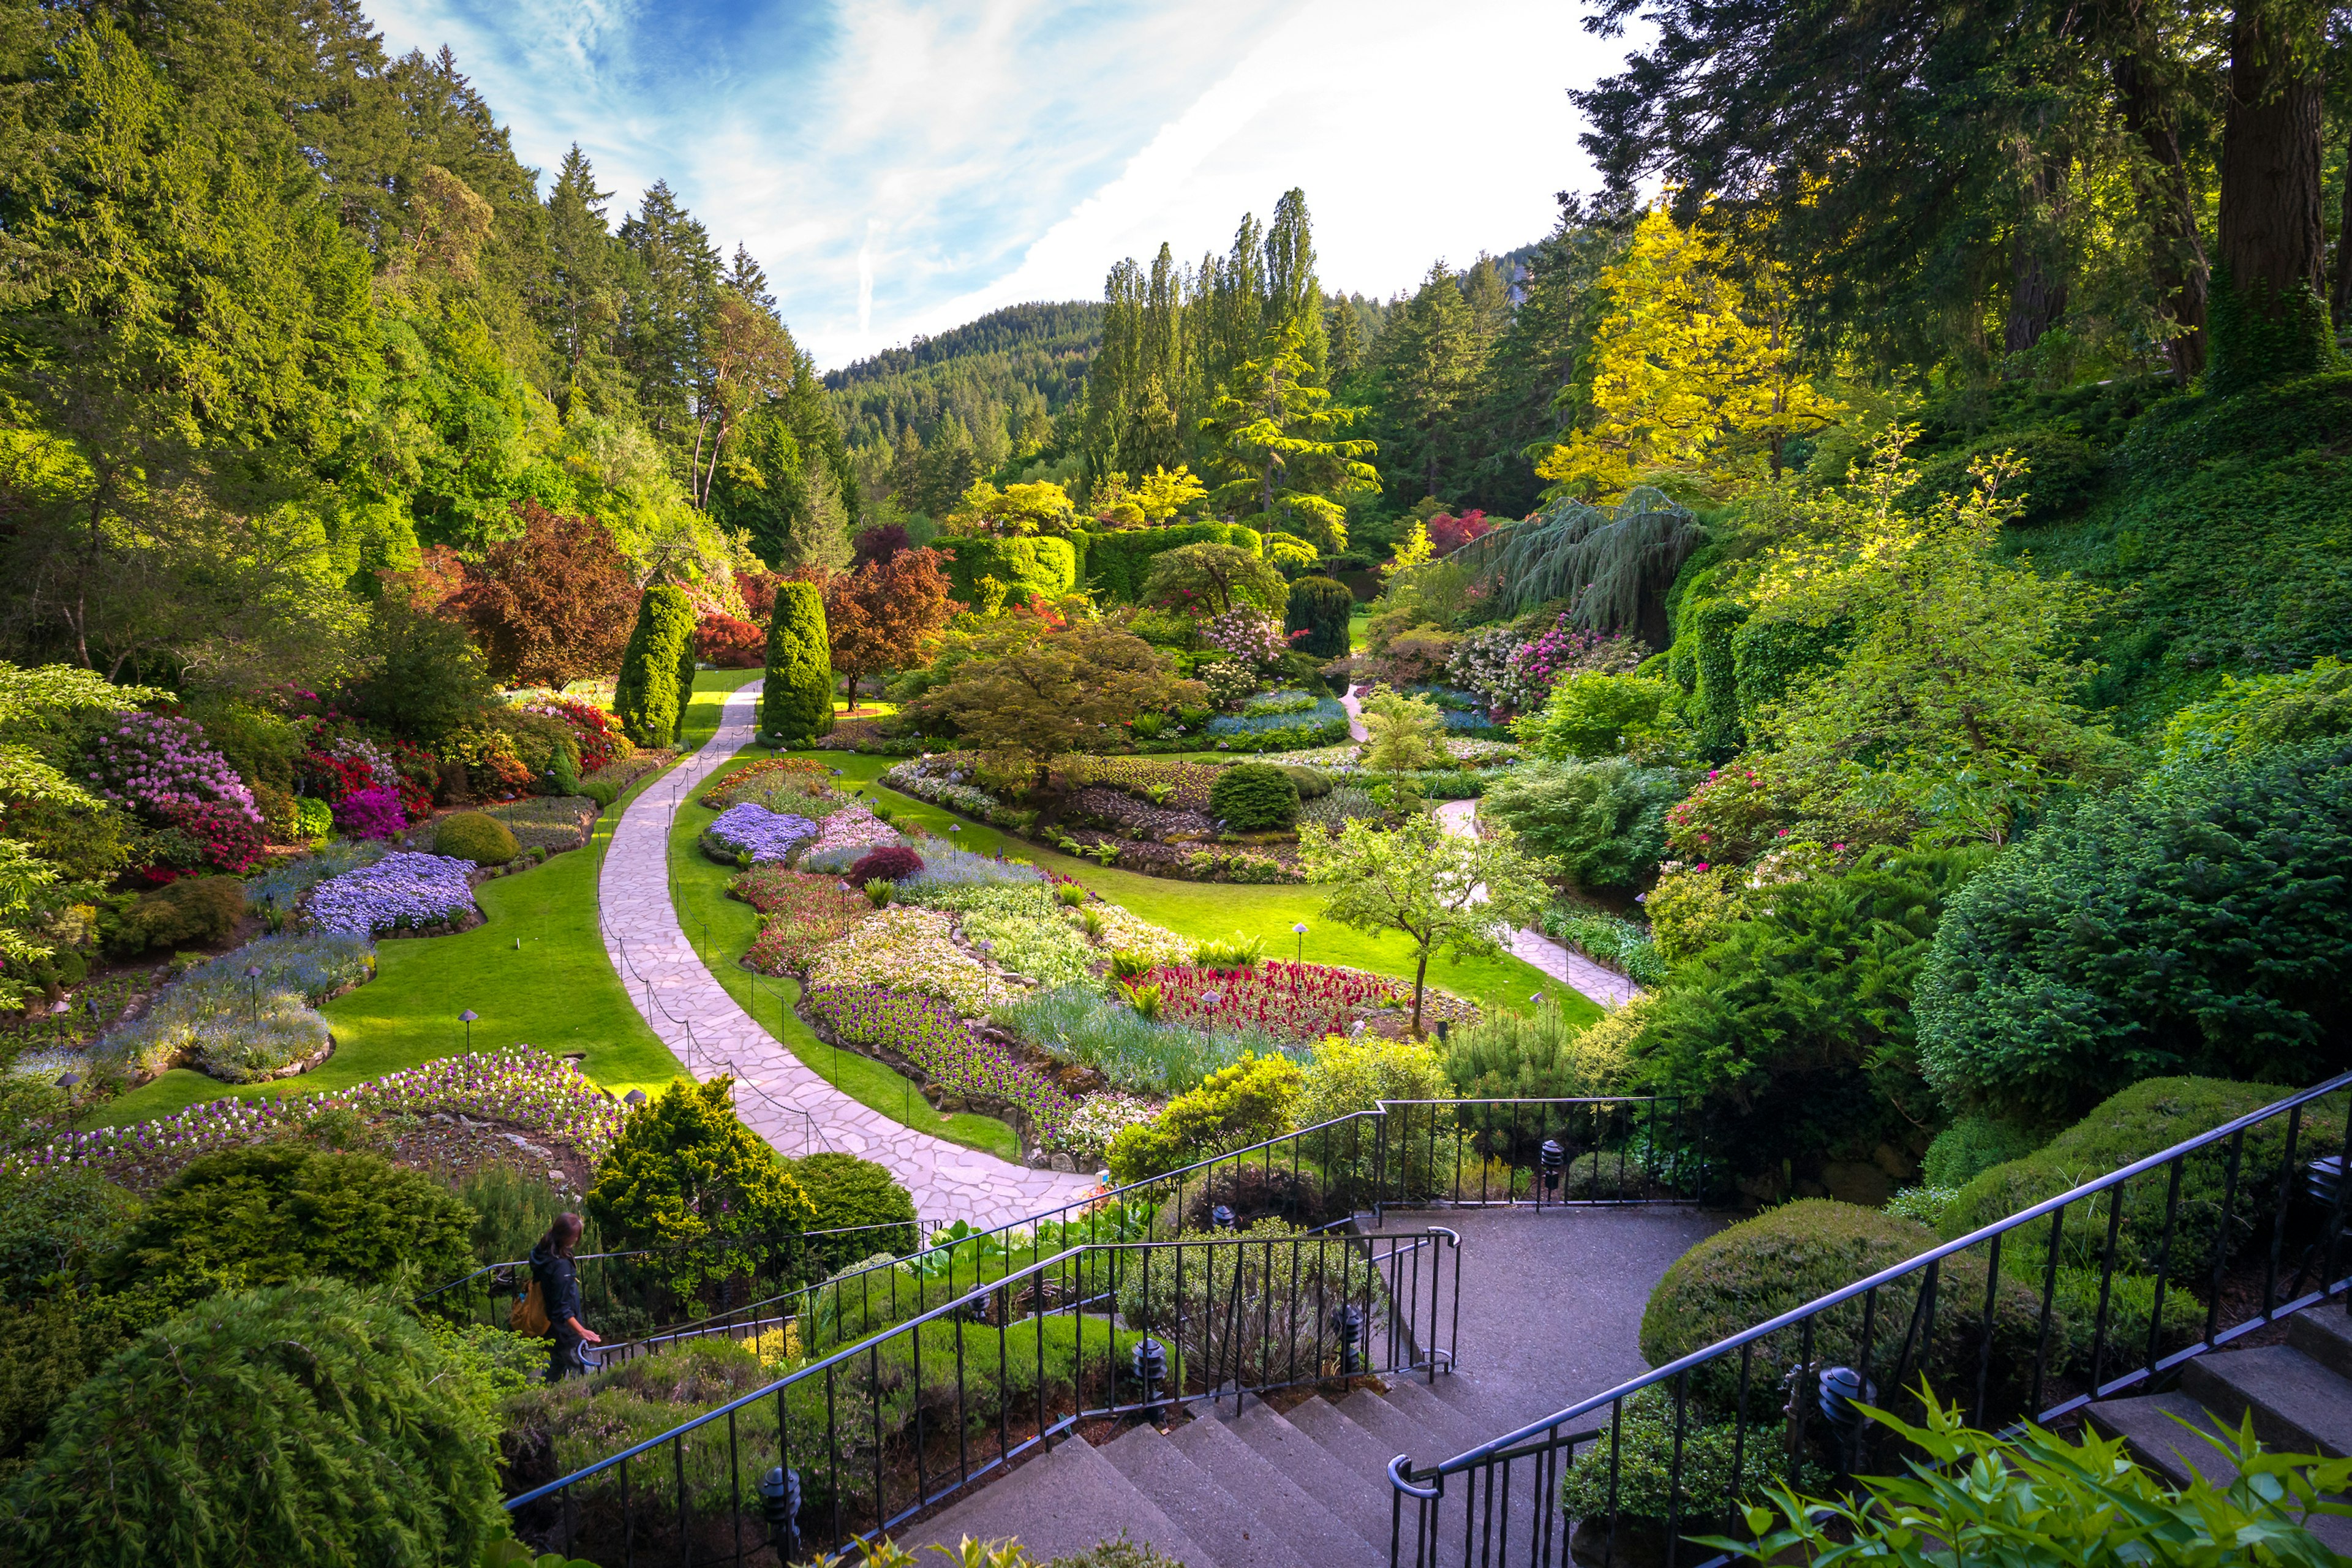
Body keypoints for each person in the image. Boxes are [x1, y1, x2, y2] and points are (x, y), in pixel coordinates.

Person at [529, 1212, 601, 1381]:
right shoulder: (560, 1266)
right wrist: (581, 1332)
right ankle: (590, 1405)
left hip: (551, 1330)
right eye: (576, 1236)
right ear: (567, 1237)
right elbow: (562, 1308)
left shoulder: (543, 1253)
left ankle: (542, 1399)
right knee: (586, 1377)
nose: (577, 1240)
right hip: (566, 1334)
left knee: (555, 1369)